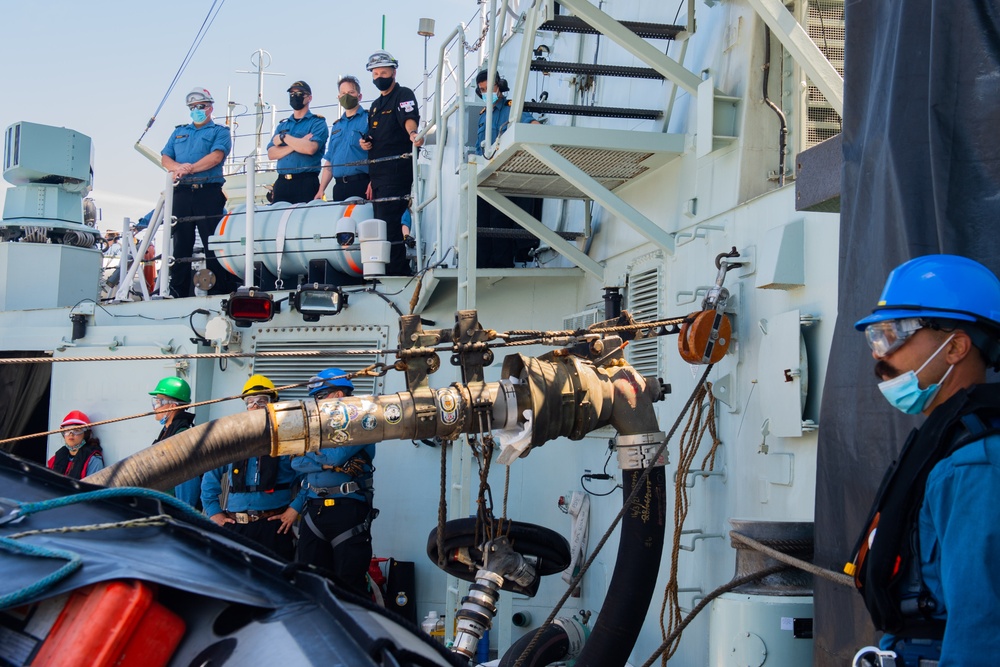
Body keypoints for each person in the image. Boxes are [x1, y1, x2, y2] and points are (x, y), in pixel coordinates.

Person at [847, 254, 1000, 666]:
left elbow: (982, 624)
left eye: (894, 335)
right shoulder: (947, 446)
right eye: (875, 338)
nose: (881, 356)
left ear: (956, 347)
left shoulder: (973, 464)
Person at [289, 368, 377, 597]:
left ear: (338, 395)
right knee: (310, 582)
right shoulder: (315, 427)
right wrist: (326, 464)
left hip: (347, 511)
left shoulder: (362, 421)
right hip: (314, 510)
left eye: (320, 396)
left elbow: (336, 457)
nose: (316, 403)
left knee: (349, 585)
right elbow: (294, 464)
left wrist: (313, 454)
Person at [201, 375, 299, 559]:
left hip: (274, 527)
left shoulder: (288, 442)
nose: (255, 406)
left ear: (273, 405)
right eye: (250, 402)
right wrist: (214, 513)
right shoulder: (233, 442)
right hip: (236, 526)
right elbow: (210, 478)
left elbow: (308, 479)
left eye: (262, 401)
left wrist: (294, 509)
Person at [161, 87, 236, 298]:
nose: (196, 110)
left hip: (208, 192)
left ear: (210, 108)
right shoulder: (179, 132)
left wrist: (188, 168)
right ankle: (178, 290)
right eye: (192, 107)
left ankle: (220, 287)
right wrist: (178, 168)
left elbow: (215, 157)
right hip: (183, 192)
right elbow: (165, 158)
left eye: (200, 106)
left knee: (212, 242)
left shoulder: (220, 132)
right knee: (181, 244)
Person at [359, 51, 421, 276]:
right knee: (381, 226)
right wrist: (366, 143)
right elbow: (375, 135)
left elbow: (408, 119)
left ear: (393, 72)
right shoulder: (375, 105)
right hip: (378, 176)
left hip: (396, 173)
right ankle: (385, 269)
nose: (378, 77)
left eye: (383, 72)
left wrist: (413, 133)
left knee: (393, 225)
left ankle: (398, 272)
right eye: (375, 74)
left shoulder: (403, 94)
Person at [475, 69, 541, 268]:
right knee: (482, 222)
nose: (487, 92)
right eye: (483, 90)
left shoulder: (511, 108)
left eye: (490, 88)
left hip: (505, 172)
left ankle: (501, 264)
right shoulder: (483, 116)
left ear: (499, 86)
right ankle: (482, 263)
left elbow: (531, 123)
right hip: (486, 174)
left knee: (499, 221)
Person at [267, 81, 329, 205]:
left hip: (305, 182)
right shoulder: (283, 125)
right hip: (282, 183)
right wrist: (297, 144)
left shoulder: (317, 123)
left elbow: (310, 148)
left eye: (300, 93)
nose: (295, 96)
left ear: (309, 98)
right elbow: (271, 153)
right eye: (292, 93)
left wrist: (284, 138)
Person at [149, 376, 201, 508]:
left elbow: (188, 481)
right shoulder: (168, 432)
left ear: (172, 406)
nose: (155, 407)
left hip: (173, 513)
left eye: (158, 402)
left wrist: (184, 516)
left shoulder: (182, 437)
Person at [317, 76, 370, 202]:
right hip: (339, 187)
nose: (347, 96)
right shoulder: (336, 126)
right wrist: (321, 189)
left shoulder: (369, 119)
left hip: (362, 184)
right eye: (343, 93)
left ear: (359, 96)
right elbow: (330, 160)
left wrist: (374, 182)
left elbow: (378, 152)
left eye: (351, 92)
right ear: (339, 97)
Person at [47, 410, 104, 479]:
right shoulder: (54, 459)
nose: (71, 434)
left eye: (76, 430)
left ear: (86, 434)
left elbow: (92, 487)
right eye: (67, 430)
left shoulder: (93, 460)